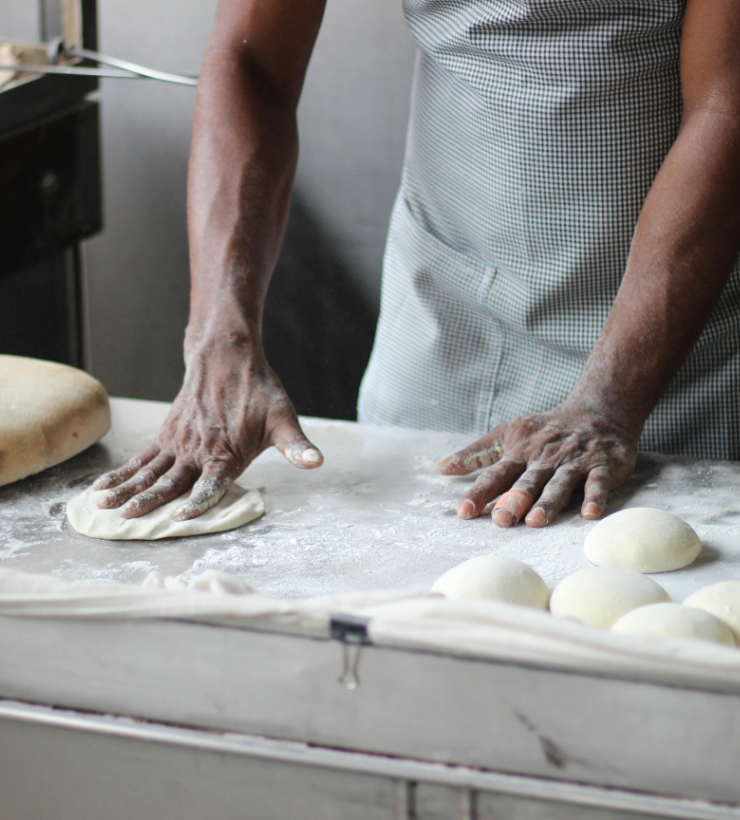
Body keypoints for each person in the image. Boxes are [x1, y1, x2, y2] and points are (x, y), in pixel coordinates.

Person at [94, 0, 740, 529]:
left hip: (673, 346)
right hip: (444, 317)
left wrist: (612, 399)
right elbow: (251, 61)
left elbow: (725, 106)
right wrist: (219, 335)